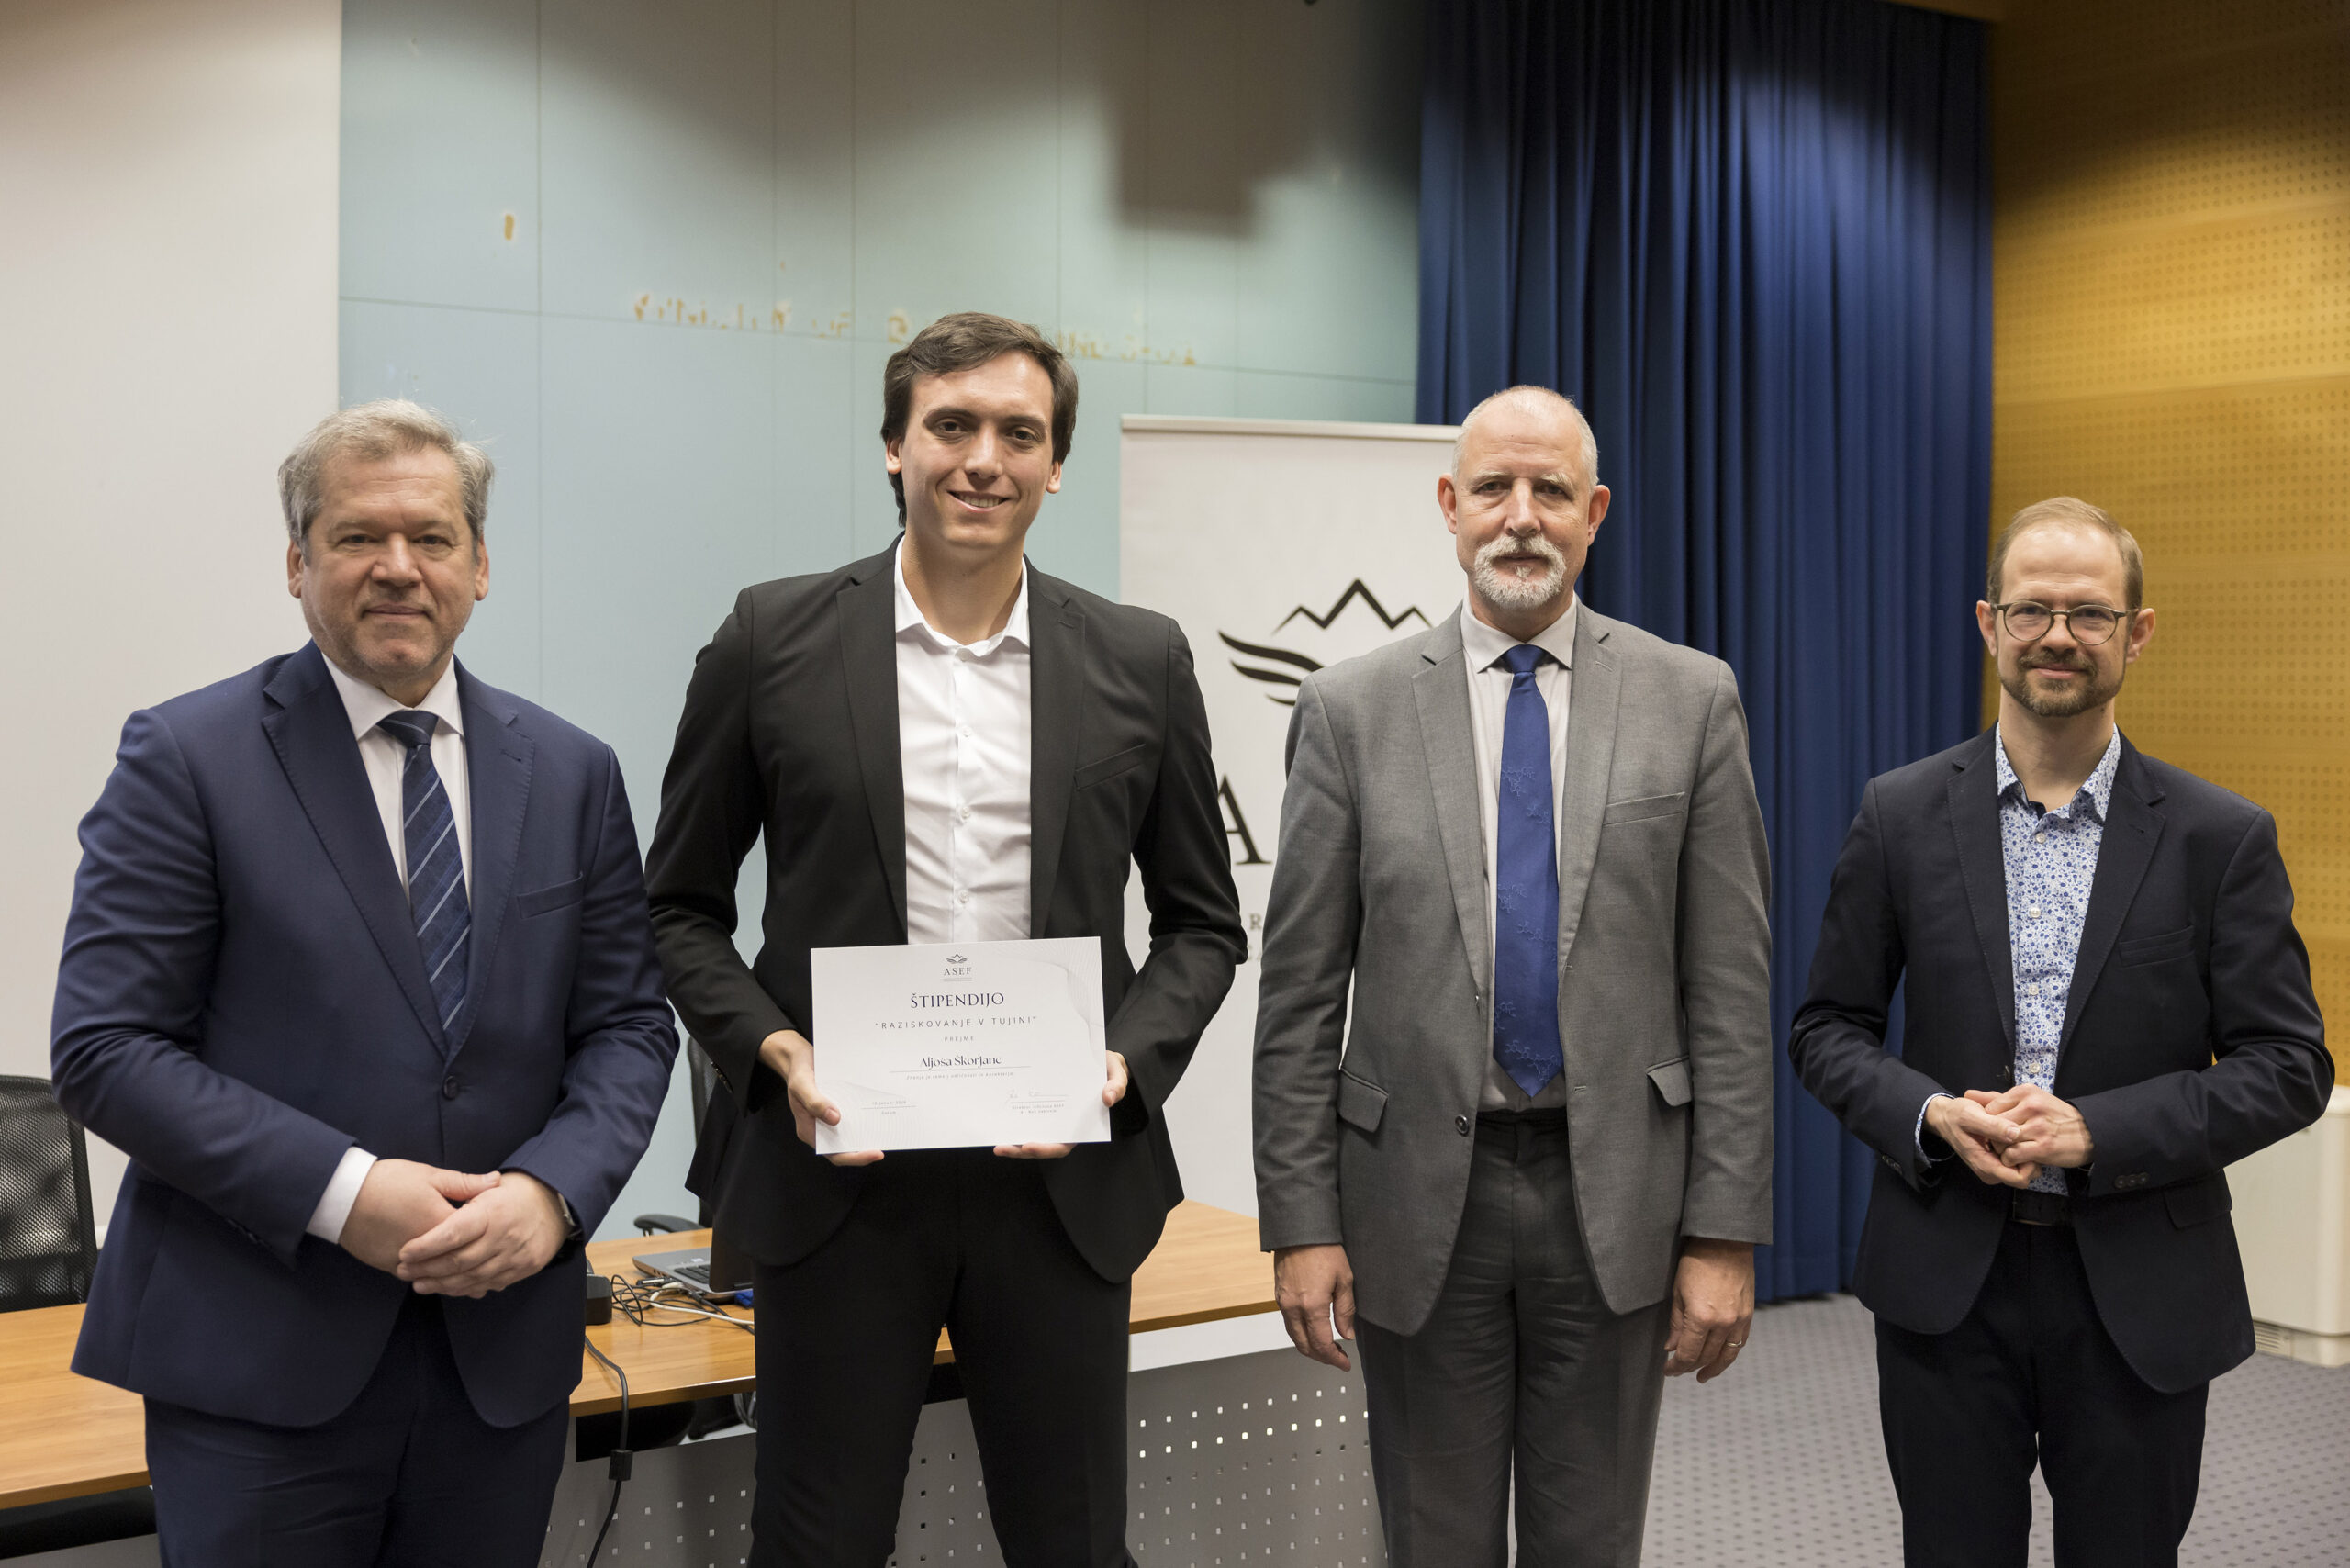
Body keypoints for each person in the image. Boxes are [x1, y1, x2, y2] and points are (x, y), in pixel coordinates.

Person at [644, 311, 1245, 1567]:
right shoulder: (770, 642)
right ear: (894, 446)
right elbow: (679, 910)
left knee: (1074, 1545)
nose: (984, 459)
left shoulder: (1140, 659)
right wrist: (776, 1053)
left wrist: (1125, 1064)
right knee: (817, 1547)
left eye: (1019, 433)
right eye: (951, 426)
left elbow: (1200, 924)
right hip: (837, 1182)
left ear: (1056, 463)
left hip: (1059, 1184)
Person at [50, 401, 678, 1564]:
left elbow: (630, 1027)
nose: (398, 566)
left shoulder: (573, 770)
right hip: (259, 1365)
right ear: (298, 562)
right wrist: (347, 1192)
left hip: (500, 1364)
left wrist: (551, 1193)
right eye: (356, 537)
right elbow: (107, 1049)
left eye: (432, 537)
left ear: (479, 565)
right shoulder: (186, 757)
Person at [1251, 385, 1774, 1568]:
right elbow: (1298, 998)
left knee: (1590, 1542)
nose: (1521, 516)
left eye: (1550, 491)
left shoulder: (1691, 699)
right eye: (1493, 488)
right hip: (1414, 1196)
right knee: (1433, 1541)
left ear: (1595, 513)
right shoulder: (1348, 710)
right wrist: (1301, 1220)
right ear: (1450, 505)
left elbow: (1730, 994)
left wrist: (1723, 1231)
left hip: (1617, 1196)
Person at [1789, 497, 2333, 1568]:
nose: (2056, 636)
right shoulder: (1897, 815)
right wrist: (1929, 1112)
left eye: (2089, 614)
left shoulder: (2219, 838)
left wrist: (2096, 1132)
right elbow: (1827, 1029)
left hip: (2138, 1290)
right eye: (2031, 609)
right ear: (1988, 623)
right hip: (1947, 1282)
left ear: (2137, 631)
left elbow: (2288, 1066)